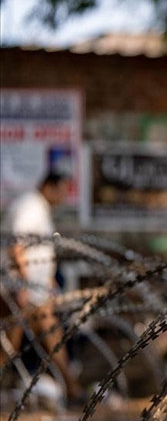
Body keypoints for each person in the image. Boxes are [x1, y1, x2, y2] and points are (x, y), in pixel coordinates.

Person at [3, 171, 83, 405]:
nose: (63, 197)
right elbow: (16, 246)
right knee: (10, 346)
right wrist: (23, 284)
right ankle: (72, 389)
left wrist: (47, 281)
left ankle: (72, 390)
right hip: (20, 289)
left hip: (36, 291)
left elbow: (38, 251)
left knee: (51, 336)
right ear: (50, 186)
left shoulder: (40, 208)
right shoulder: (30, 206)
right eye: (62, 190)